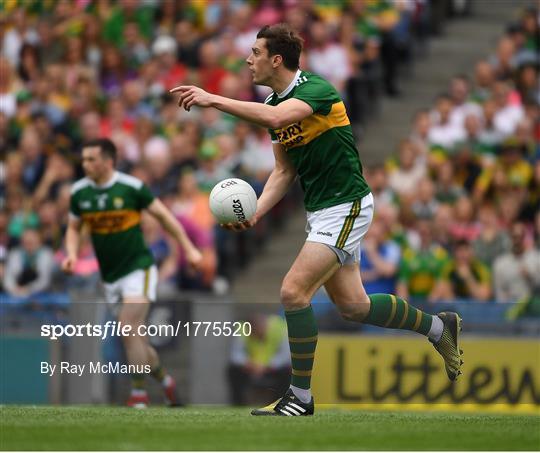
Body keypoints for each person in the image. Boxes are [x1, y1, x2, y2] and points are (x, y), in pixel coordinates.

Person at [170, 23, 463, 417]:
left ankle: (300, 397)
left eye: (254, 52)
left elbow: (277, 120)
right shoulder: (275, 102)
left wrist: (213, 99)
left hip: (347, 204)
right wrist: (256, 210)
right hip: (323, 210)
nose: (247, 59)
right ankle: (438, 328)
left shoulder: (315, 91)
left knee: (293, 291)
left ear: (276, 59)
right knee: (354, 307)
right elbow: (284, 172)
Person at [62, 138, 202, 408]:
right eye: (84, 159)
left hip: (138, 268)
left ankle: (138, 395)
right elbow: (72, 227)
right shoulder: (80, 192)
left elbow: (164, 217)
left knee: (128, 328)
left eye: (91, 159)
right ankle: (166, 383)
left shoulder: (131, 188)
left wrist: (189, 248)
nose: (85, 164)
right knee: (134, 336)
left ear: (108, 161)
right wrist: (71, 253)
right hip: (110, 276)